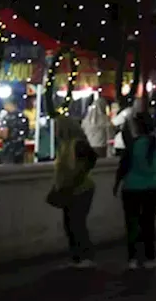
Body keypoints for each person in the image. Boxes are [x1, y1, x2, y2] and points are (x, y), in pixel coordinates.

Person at [113, 112, 156, 268]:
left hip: (131, 188)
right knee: (148, 223)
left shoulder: (133, 144)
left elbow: (123, 167)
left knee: (132, 223)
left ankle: (132, 258)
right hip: (152, 188)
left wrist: (116, 184)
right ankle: (150, 257)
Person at [50, 114, 98, 268]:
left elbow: (90, 160)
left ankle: (85, 256)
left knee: (77, 222)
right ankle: (76, 256)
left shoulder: (77, 144)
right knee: (70, 223)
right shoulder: (65, 145)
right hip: (70, 188)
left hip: (81, 188)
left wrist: (78, 176)